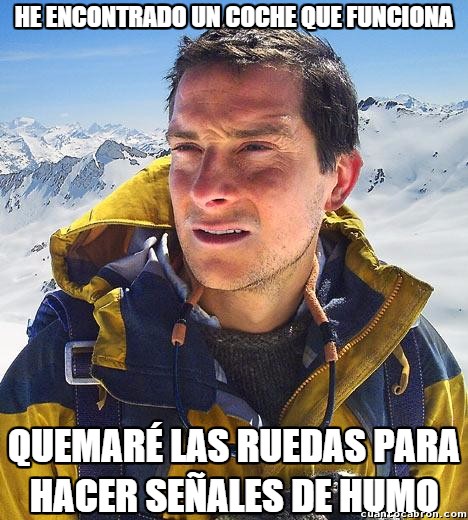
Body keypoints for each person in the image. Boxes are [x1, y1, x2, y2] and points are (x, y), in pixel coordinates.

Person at [0, 29, 466, 518]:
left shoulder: (405, 363)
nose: (205, 191)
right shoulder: (65, 376)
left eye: (256, 148)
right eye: (187, 149)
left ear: (339, 180)